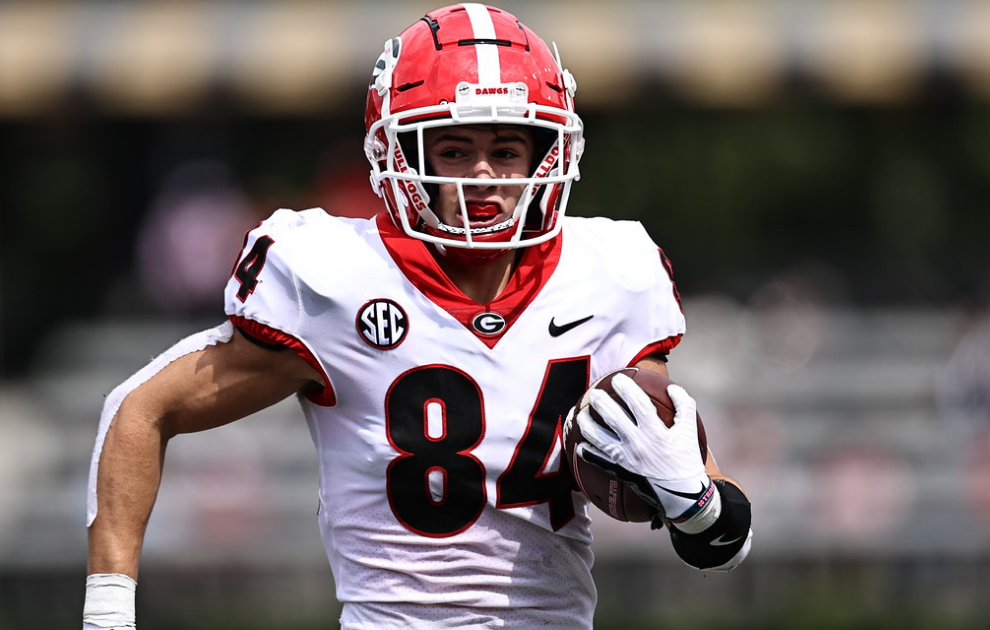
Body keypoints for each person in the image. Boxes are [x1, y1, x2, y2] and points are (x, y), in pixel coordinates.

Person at [83, 4, 753, 629]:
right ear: (403, 156)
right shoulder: (334, 277)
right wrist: (108, 614)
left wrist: (694, 505)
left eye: (506, 150)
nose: (482, 176)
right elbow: (139, 409)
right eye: (455, 150)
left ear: (548, 155)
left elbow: (724, 544)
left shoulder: (610, 275)